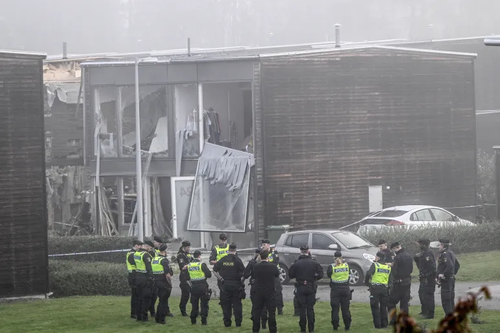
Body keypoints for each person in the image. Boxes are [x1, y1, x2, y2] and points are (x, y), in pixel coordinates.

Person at [289, 245, 324, 333]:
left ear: (300, 251)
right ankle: (311, 328)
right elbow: (321, 274)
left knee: (302, 309)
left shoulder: (296, 263)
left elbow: (290, 275)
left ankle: (303, 328)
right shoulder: (314, 262)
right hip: (311, 287)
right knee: (310, 308)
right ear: (308, 251)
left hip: (300, 287)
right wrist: (314, 278)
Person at [213, 243, 246, 328]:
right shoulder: (237, 260)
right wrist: (241, 280)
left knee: (226, 305)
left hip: (225, 285)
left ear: (228, 250)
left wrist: (221, 279)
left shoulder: (223, 259)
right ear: (235, 250)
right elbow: (244, 273)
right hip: (236, 285)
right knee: (237, 304)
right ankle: (238, 323)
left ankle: (227, 323)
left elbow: (214, 270)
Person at [251, 249, 280, 333]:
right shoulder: (273, 266)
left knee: (257, 311)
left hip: (259, 292)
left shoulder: (256, 267)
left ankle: (255, 329)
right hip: (270, 291)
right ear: (268, 257)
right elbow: (276, 275)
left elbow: (253, 276)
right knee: (271, 312)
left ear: (260, 256)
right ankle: (273, 329)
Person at [365, 251, 392, 329]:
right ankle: (384, 324)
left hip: (375, 288)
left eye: (376, 257)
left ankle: (377, 325)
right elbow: (390, 280)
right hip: (384, 288)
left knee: (375, 307)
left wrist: (367, 283)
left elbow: (368, 273)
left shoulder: (375, 265)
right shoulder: (388, 267)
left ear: (378, 257)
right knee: (383, 307)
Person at [388, 242, 413, 322]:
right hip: (407, 281)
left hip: (398, 283)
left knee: (391, 302)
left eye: (393, 249)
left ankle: (393, 320)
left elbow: (394, 272)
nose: (393, 251)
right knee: (404, 302)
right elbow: (411, 269)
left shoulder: (397, 258)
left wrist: (392, 266)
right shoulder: (409, 256)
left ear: (396, 248)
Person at [327, 251, 352, 331]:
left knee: (335, 309)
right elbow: (348, 273)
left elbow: (329, 275)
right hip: (345, 289)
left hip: (335, 289)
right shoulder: (346, 265)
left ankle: (335, 325)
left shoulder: (332, 266)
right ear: (342, 257)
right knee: (345, 308)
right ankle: (347, 325)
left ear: (334, 257)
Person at [244, 248, 268, 330]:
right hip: (265, 286)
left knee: (256, 305)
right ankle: (264, 323)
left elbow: (246, 274)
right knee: (264, 305)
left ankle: (255, 324)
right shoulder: (267, 263)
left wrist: (251, 273)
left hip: (255, 286)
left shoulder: (252, 263)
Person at [187, 250, 212, 325]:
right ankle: (204, 320)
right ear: (199, 256)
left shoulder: (189, 265)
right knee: (204, 304)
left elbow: (187, 277)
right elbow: (209, 275)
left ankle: (193, 320)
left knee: (194, 304)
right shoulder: (202, 265)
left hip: (193, 286)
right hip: (202, 286)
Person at [436, 238, 460, 316]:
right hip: (451, 279)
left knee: (445, 299)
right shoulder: (451, 253)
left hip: (446, 280)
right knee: (450, 298)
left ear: (443, 245)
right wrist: (452, 274)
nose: (438, 246)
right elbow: (457, 265)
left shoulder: (445, 254)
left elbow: (449, 266)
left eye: (439, 245)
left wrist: (443, 275)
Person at [414, 239, 436, 319]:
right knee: (421, 294)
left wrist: (427, 275)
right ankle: (424, 310)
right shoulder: (423, 253)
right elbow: (420, 266)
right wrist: (416, 258)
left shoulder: (428, 253)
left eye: (420, 244)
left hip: (428, 279)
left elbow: (433, 268)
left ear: (425, 245)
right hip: (423, 278)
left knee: (428, 296)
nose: (419, 246)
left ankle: (430, 313)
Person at [151, 244, 173, 324]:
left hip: (156, 282)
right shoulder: (164, 260)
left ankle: (157, 317)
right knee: (163, 301)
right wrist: (170, 284)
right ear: (165, 251)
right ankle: (162, 319)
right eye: (168, 250)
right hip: (163, 282)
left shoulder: (154, 259)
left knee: (161, 300)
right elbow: (167, 275)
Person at [133, 240, 155, 321]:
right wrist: (152, 278)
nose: (150, 249)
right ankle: (144, 317)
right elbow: (149, 268)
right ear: (147, 246)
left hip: (138, 277)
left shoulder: (136, 254)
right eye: (149, 247)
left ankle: (138, 316)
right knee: (146, 298)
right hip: (145, 279)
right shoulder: (146, 255)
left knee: (139, 298)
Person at [261, 239, 284, 315]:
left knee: (278, 292)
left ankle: (280, 309)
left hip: (274, 275)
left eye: (265, 244)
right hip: (265, 276)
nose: (263, 246)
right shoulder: (261, 253)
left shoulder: (274, 252)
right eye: (263, 245)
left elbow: (275, 262)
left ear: (268, 245)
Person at [210, 233, 230, 309]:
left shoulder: (229, 247)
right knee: (221, 286)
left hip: (229, 269)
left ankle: (228, 301)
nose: (223, 241)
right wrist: (220, 262)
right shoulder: (216, 248)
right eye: (222, 240)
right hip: (220, 270)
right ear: (220, 240)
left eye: (224, 240)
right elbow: (211, 261)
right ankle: (223, 301)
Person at [126, 240, 142, 319]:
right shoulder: (131, 254)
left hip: (135, 275)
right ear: (136, 245)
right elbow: (135, 263)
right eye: (139, 245)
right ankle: (134, 313)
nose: (140, 247)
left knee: (137, 295)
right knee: (135, 295)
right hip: (133, 275)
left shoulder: (134, 253)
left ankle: (137, 311)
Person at [177, 240, 193, 316]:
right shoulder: (180, 255)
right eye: (188, 247)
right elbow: (182, 267)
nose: (189, 248)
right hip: (184, 277)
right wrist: (191, 265)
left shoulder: (187, 254)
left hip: (190, 276)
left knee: (193, 293)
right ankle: (182, 309)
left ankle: (194, 309)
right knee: (185, 294)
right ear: (184, 247)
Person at [149, 236, 164, 317]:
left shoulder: (159, 251)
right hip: (154, 275)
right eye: (155, 242)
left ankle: (165, 310)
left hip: (159, 275)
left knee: (161, 296)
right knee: (154, 295)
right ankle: (152, 311)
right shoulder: (153, 251)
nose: (155, 243)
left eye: (156, 242)